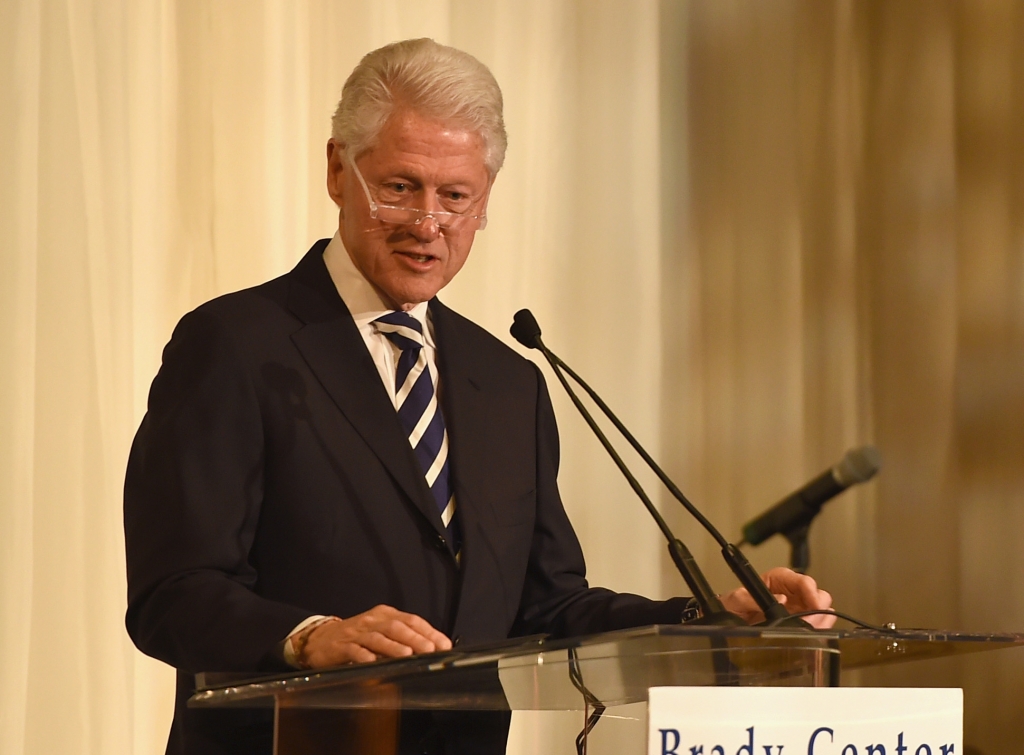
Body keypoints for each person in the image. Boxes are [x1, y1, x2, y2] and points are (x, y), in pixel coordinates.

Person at [124, 38, 833, 755]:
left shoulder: (507, 381)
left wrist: (712, 621)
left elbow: (548, 604)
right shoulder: (237, 345)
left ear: (486, 199)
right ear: (339, 170)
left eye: (456, 197)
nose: (428, 224)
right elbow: (171, 593)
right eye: (400, 187)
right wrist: (310, 637)